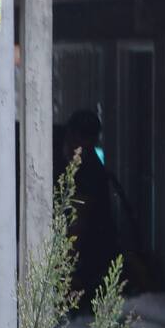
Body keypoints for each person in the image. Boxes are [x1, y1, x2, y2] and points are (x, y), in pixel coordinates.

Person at [61, 109, 120, 309]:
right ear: (69, 135)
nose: (80, 152)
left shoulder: (93, 173)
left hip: (90, 255)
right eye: (77, 144)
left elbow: (80, 221)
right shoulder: (45, 145)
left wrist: (67, 271)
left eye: (87, 147)